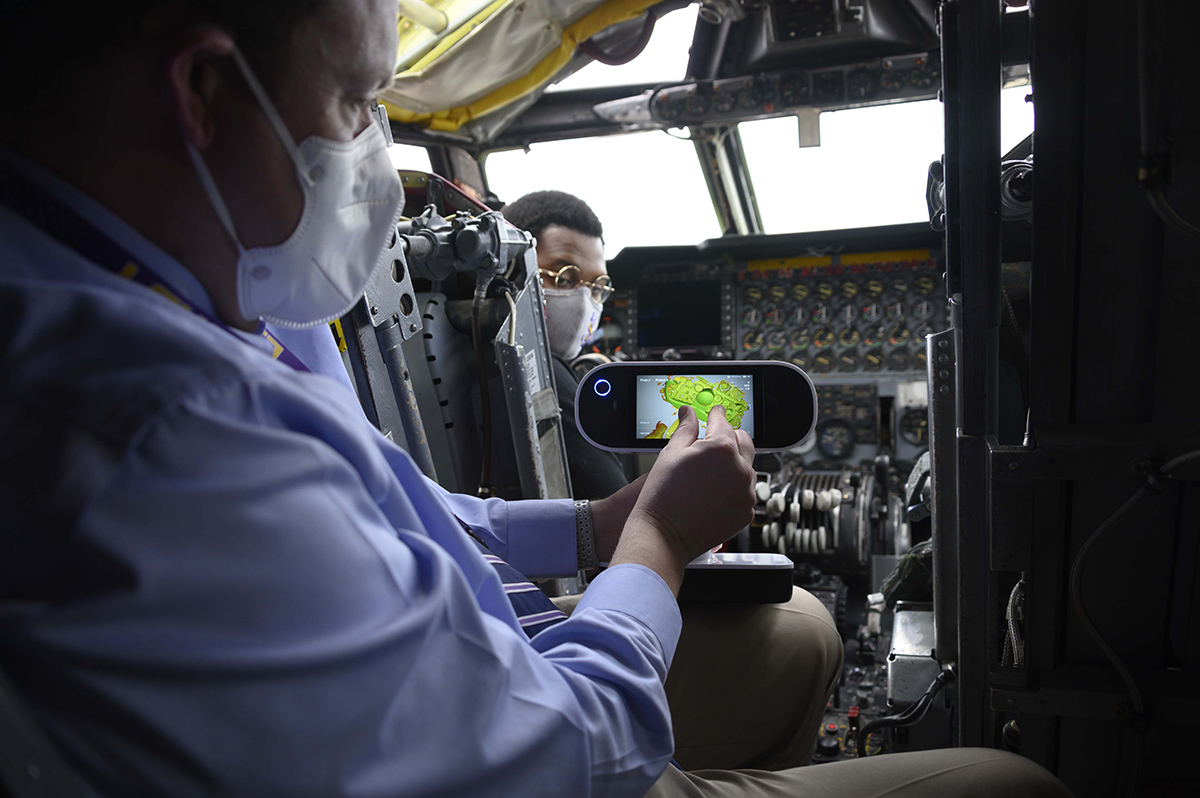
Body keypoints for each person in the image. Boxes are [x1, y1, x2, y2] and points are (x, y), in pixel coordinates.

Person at [0, 2, 1073, 796]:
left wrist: (589, 523)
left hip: (470, 663)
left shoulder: (227, 296)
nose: (378, 148)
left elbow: (400, 498)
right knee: (1010, 785)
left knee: (796, 634)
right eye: (357, 100)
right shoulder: (161, 426)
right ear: (200, 92)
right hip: (531, 745)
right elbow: (576, 748)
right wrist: (653, 539)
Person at [501, 190, 631, 499]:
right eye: (563, 278)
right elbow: (619, 510)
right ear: (510, 272)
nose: (585, 301)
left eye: (598, 286)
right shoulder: (549, 377)